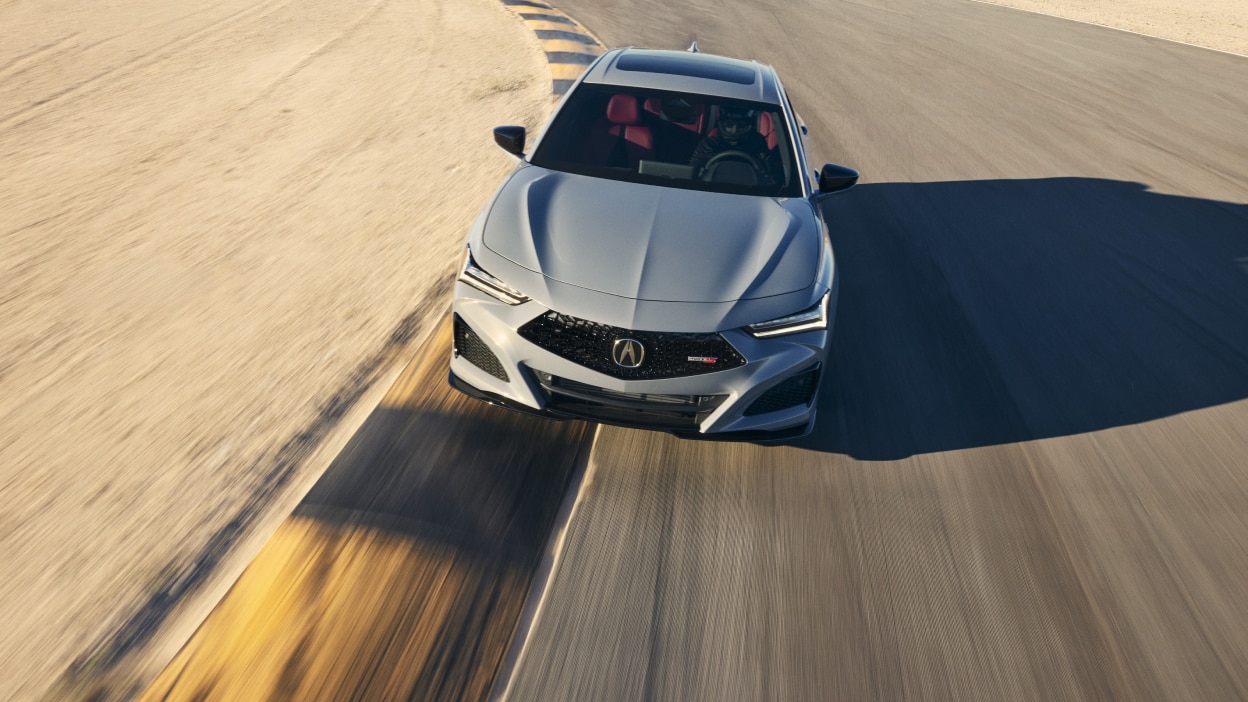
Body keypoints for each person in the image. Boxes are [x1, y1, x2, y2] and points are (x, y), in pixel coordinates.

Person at [688, 105, 780, 186]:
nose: (734, 130)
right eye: (729, 125)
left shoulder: (757, 144)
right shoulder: (708, 145)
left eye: (741, 126)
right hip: (711, 189)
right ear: (721, 123)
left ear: (749, 125)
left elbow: (772, 177)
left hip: (749, 190)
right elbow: (691, 173)